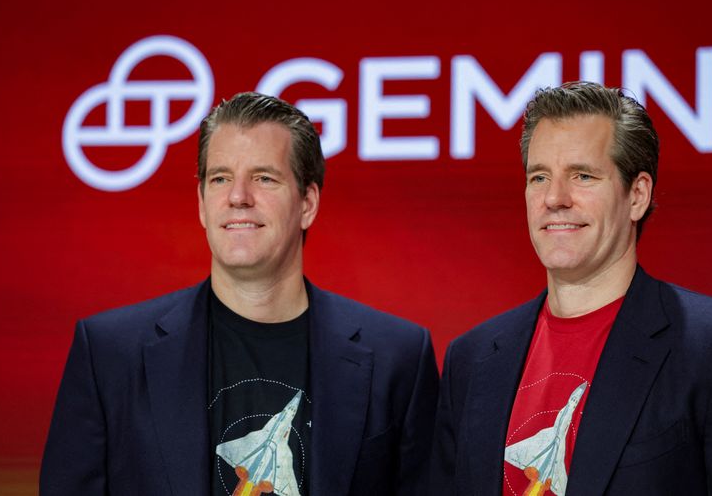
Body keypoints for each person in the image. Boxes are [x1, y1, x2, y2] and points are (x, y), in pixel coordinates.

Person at [41, 92, 439, 495]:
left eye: (264, 178)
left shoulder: (399, 358)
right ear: (201, 203)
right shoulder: (110, 354)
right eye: (220, 178)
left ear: (308, 203)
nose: (238, 197)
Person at [430, 82, 712, 495]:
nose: (555, 198)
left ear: (637, 195)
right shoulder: (472, 359)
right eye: (540, 176)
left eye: (583, 176)